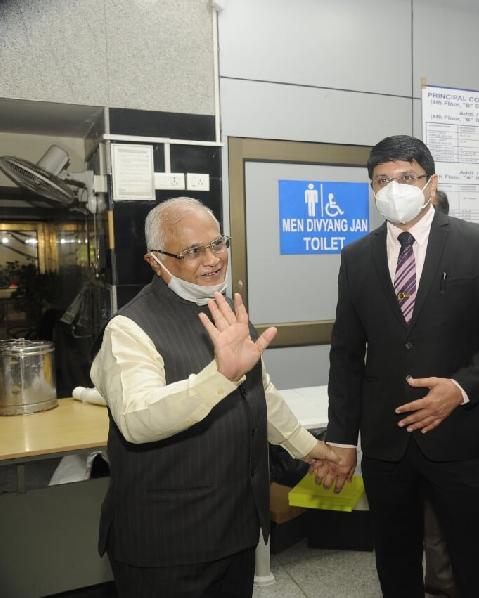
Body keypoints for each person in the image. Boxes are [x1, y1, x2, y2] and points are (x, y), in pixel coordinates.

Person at [316, 135, 479, 597]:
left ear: (431, 184)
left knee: (476, 563)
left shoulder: (477, 243)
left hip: (460, 436)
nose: (394, 188)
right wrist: (342, 439)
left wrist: (461, 387)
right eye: (382, 180)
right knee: (395, 564)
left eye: (407, 177)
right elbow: (346, 354)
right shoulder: (356, 257)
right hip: (386, 442)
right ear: (372, 189)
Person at [91, 197, 337, 598]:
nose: (213, 259)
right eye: (192, 251)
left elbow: (261, 393)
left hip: (235, 531)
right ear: (156, 261)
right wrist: (219, 377)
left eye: (217, 244)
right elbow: (137, 419)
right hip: (166, 545)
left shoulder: (226, 311)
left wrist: (310, 449)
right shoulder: (129, 329)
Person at [423, 186, 455, 597]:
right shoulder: (379, 259)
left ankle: (446, 576)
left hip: (455, 402)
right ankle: (440, 576)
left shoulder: (468, 259)